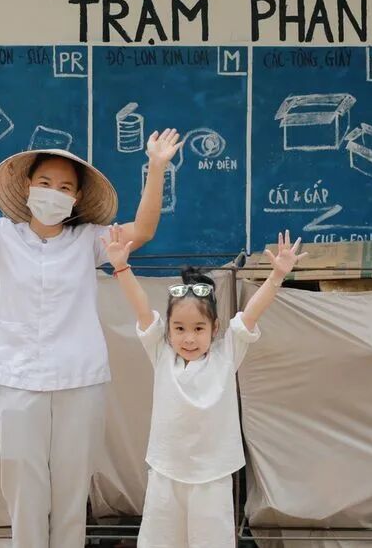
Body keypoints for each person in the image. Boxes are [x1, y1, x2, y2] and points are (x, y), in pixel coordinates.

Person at [0, 89, 183, 547]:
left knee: (71, 489)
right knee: (23, 487)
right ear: (28, 187)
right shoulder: (1, 236)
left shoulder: (89, 240)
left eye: (66, 187)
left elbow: (144, 229)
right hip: (16, 378)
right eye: (46, 182)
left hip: (79, 379)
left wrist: (156, 168)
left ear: (77, 198)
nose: (54, 192)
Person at [103, 226, 306, 548]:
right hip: (166, 471)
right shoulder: (161, 353)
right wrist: (121, 267)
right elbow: (141, 308)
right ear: (168, 330)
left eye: (198, 328)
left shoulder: (227, 354)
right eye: (179, 328)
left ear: (215, 328)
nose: (188, 338)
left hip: (213, 476)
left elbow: (251, 314)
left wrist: (277, 275)